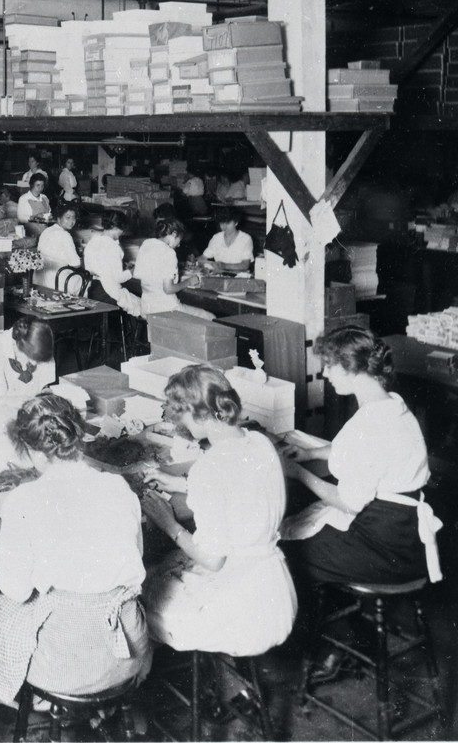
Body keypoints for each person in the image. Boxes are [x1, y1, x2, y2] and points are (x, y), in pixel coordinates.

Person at [0, 394, 150, 707]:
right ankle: (101, 712)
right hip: (126, 654)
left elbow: (14, 590)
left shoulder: (25, 499)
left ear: (31, 452)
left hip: (66, 665)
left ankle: (21, 705)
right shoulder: (118, 487)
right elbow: (134, 558)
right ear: (79, 435)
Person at [141, 365, 297, 658]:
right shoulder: (260, 443)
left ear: (196, 413)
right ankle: (233, 689)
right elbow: (239, 489)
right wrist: (181, 483)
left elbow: (213, 560)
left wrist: (169, 524)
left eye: (182, 413)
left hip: (240, 610)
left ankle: (146, 679)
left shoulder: (209, 468)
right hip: (275, 592)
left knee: (143, 589)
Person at [280, 326, 440, 587]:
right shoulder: (393, 406)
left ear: (350, 368)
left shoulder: (368, 424)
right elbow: (366, 453)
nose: (325, 373)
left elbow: (348, 502)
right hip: (407, 537)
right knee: (300, 522)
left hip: (382, 547)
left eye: (329, 366)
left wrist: (297, 472)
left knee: (281, 551)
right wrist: (310, 452)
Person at [0, 318, 57, 406]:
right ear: (15, 344)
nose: (35, 364)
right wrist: (7, 401)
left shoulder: (40, 346)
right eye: (30, 358)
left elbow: (44, 385)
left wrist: (46, 395)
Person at [133, 218, 213, 319]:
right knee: (211, 317)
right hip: (167, 310)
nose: (179, 245)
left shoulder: (146, 244)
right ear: (174, 234)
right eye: (179, 240)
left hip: (146, 308)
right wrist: (189, 281)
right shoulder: (169, 252)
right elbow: (168, 289)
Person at [82, 211, 141, 316]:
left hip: (93, 289)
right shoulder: (113, 247)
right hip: (107, 294)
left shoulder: (92, 242)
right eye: (121, 230)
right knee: (141, 305)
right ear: (116, 227)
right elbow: (118, 278)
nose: (121, 233)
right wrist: (131, 271)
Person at [36, 204, 81, 290]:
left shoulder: (46, 231)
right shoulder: (65, 235)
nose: (72, 221)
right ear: (59, 218)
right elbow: (76, 264)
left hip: (39, 280)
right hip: (57, 281)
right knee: (88, 282)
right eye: (68, 217)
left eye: (74, 218)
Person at [202, 206, 254, 273]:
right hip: (219, 276)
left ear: (236, 222)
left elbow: (245, 265)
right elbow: (203, 258)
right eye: (222, 223)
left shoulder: (245, 239)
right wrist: (193, 261)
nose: (224, 227)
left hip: (240, 278)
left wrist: (224, 266)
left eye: (228, 223)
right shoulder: (216, 238)